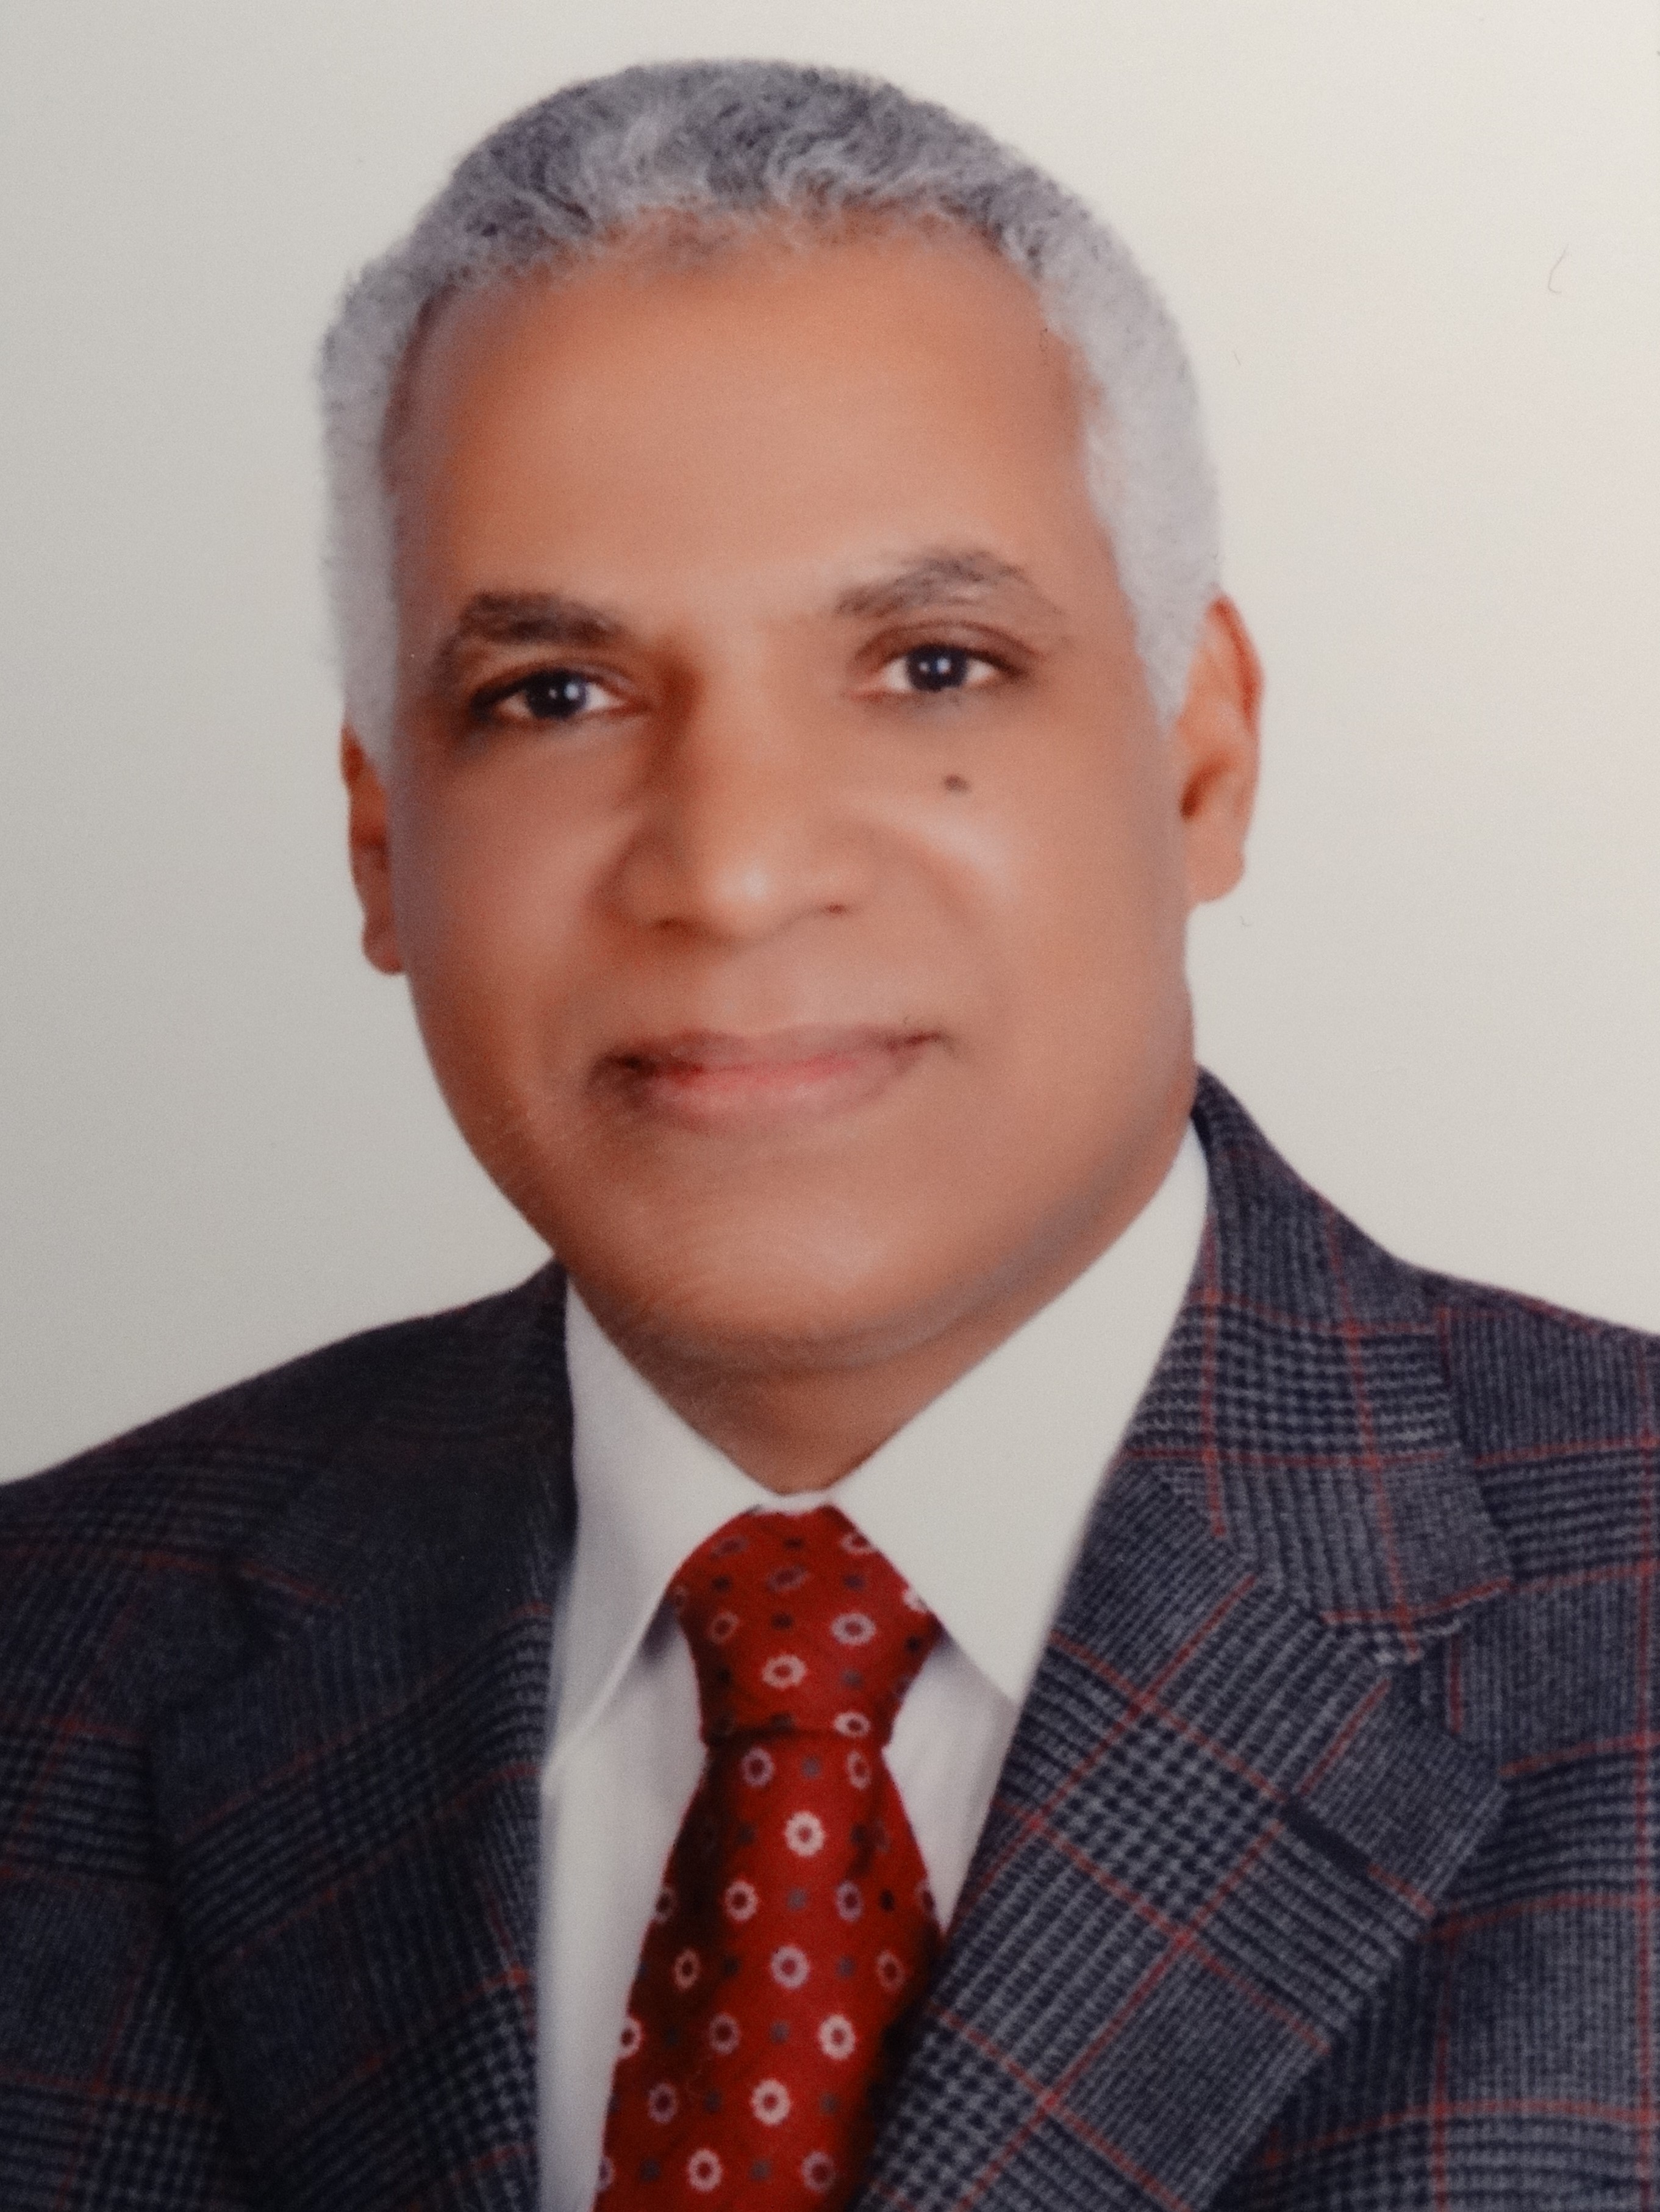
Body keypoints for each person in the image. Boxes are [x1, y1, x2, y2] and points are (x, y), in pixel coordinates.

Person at [0, 57, 1651, 2212]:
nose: (736, 867)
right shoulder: (46, 1665)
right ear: (384, 837)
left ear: (1197, 761)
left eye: (931, 664)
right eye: (552, 695)